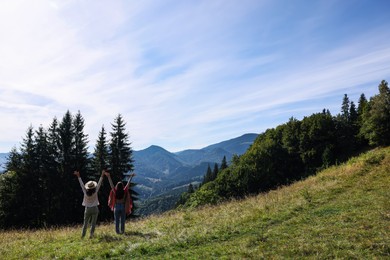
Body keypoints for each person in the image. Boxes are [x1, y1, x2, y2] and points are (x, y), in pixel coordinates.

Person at [74, 170, 105, 238]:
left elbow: (81, 184)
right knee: (93, 223)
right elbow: (99, 183)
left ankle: (83, 235)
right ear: (94, 186)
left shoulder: (85, 192)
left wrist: (78, 176)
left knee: (85, 223)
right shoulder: (95, 191)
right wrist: (102, 174)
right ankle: (91, 235)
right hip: (95, 208)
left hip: (87, 209)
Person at [104, 170, 135, 234]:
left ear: (117, 187)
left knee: (117, 220)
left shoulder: (115, 191)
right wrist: (131, 177)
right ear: (122, 186)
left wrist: (108, 177)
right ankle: (122, 231)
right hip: (123, 206)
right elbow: (128, 184)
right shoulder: (124, 191)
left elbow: (111, 184)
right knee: (122, 220)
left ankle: (117, 232)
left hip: (116, 206)